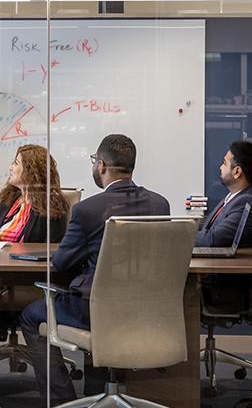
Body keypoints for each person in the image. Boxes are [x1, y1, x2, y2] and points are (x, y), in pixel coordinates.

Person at [17, 134, 170, 403]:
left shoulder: (88, 209)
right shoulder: (159, 204)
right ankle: (98, 394)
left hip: (95, 311)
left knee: (32, 316)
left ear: (101, 165)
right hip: (145, 309)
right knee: (93, 300)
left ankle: (63, 399)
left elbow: (62, 263)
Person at [0, 143, 71, 391]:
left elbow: (50, 252)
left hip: (28, 281)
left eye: (16, 163)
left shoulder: (53, 206)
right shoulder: (9, 200)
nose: (11, 166)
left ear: (31, 170)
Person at [195, 141, 252, 313]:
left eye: (224, 163)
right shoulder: (235, 197)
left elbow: (212, 240)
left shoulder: (248, 204)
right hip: (211, 276)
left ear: (237, 172)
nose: (220, 167)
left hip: (221, 287)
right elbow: (209, 232)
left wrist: (176, 236)